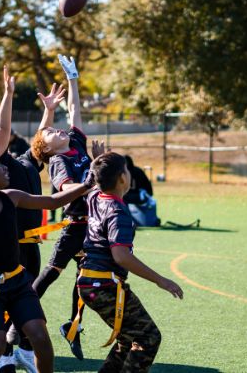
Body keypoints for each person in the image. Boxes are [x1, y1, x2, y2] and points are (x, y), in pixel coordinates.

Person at [0, 148, 93, 373]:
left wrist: (86, 185)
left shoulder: (12, 196)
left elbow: (52, 201)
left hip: (18, 282)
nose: (5, 168)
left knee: (40, 337)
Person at [76, 152, 183, 372]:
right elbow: (121, 256)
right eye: (126, 169)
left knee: (127, 339)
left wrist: (98, 162)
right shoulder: (117, 212)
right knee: (148, 337)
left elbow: (95, 184)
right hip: (104, 286)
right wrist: (160, 280)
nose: (129, 173)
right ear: (123, 179)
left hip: (89, 283)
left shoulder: (96, 196)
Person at [0, 66, 65, 373]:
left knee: (29, 298)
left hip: (31, 244)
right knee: (9, 298)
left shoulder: (32, 165)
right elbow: (2, 131)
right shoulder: (4, 163)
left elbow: (41, 141)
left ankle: (19, 348)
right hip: (9, 246)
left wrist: (48, 112)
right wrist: (7, 95)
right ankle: (4, 353)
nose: (46, 131)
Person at [30, 55, 104, 360]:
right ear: (46, 148)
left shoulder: (74, 143)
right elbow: (66, 190)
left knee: (86, 276)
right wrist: (92, 178)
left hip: (94, 224)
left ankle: (72, 327)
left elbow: (74, 110)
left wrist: (73, 77)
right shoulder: (59, 161)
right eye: (51, 133)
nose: (58, 130)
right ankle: (20, 314)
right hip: (76, 224)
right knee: (52, 273)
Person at [123, 155, 160, 227]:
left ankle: (127, 221)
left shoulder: (133, 172)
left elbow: (148, 189)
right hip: (137, 196)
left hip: (138, 196)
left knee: (121, 200)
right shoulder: (136, 171)